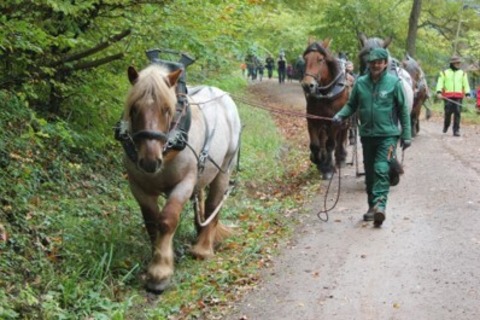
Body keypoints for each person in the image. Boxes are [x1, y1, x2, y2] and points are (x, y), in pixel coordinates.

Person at [332, 48, 411, 227]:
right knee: (369, 173)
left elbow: (404, 111)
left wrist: (406, 135)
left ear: (385, 63)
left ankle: (380, 206)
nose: (376, 65)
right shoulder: (360, 83)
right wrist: (340, 115)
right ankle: (371, 207)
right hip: (367, 136)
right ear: (369, 63)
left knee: (381, 169)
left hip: (388, 136)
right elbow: (351, 105)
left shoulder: (394, 83)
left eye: (379, 62)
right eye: (373, 62)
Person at [435, 55, 471, 136]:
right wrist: (439, 92)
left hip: (458, 96)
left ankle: (456, 130)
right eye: (457, 63)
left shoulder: (463, 73)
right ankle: (446, 125)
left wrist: (467, 93)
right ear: (452, 63)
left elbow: (466, 84)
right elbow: (440, 83)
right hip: (448, 96)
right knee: (448, 112)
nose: (458, 64)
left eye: (459, 63)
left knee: (457, 113)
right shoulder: (444, 73)